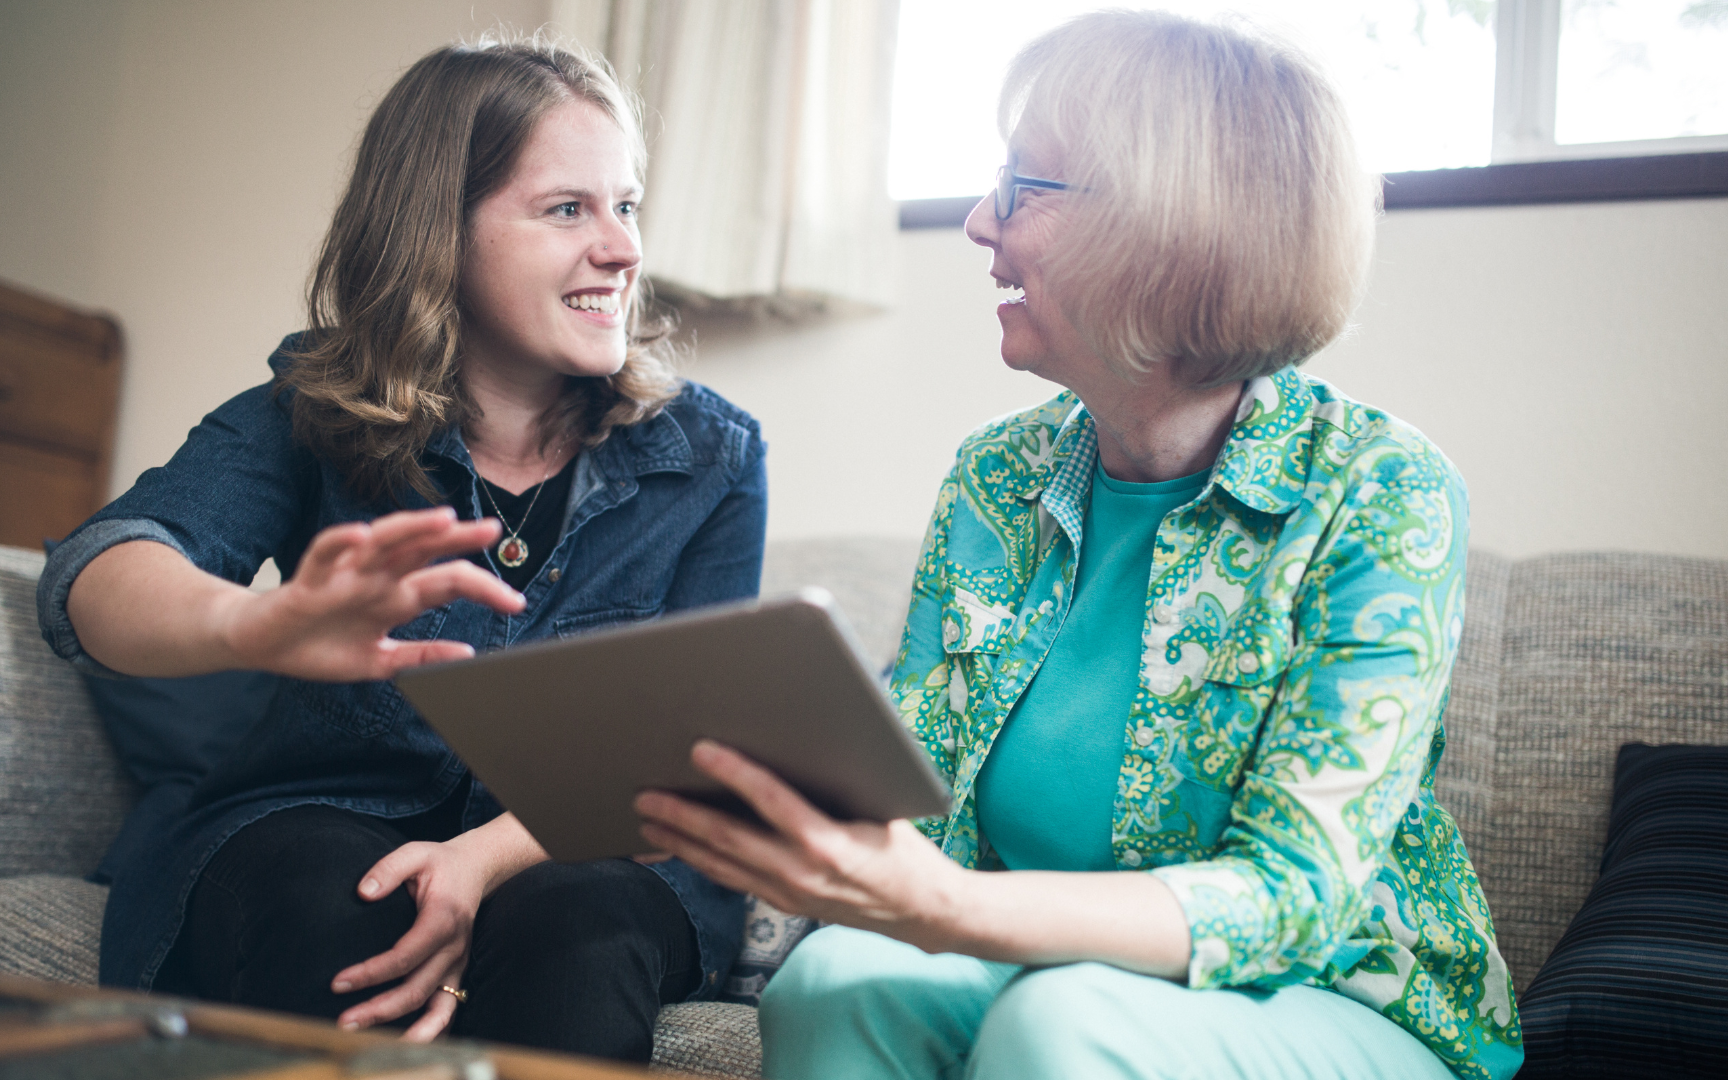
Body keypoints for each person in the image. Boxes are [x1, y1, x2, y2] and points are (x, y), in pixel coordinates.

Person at [634, 11, 1522, 1080]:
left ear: (1167, 222)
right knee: (836, 978)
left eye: (1021, 185)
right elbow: (914, 814)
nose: (977, 221)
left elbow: (1293, 902)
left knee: (1063, 1025)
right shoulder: (994, 479)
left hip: (1334, 997)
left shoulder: (1381, 491)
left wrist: (949, 905)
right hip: (1043, 969)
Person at [37, 39, 766, 1063]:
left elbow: (687, 751)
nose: (622, 250)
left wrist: (482, 859)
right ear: (442, 230)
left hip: (590, 848)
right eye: (569, 209)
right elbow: (97, 574)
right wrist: (254, 620)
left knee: (581, 925)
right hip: (322, 819)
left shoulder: (711, 460)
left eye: (628, 206)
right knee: (337, 906)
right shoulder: (309, 413)